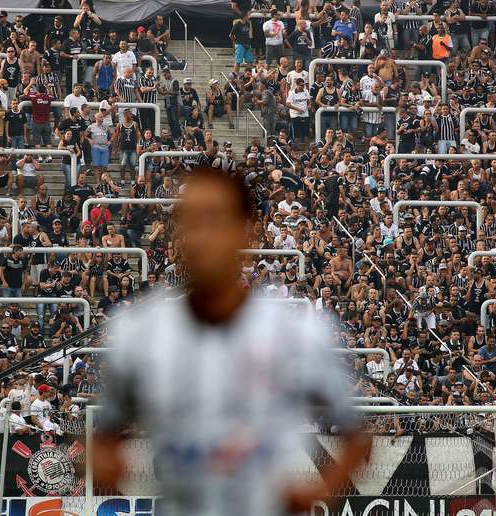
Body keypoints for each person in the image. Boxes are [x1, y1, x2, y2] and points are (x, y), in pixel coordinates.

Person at [93, 168, 370, 516]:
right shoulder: (138, 333)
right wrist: (107, 467)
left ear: (243, 231)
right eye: (191, 222)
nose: (201, 236)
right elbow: (105, 440)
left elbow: (356, 437)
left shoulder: (295, 335)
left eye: (215, 221)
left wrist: (314, 492)